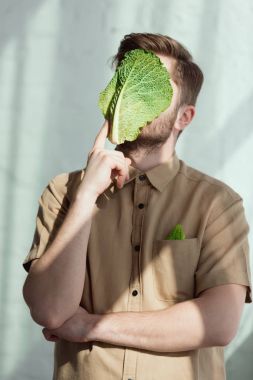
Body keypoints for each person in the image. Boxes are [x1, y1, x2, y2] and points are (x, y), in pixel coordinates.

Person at [22, 33, 252, 380]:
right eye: (124, 80)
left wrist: (90, 326)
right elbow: (51, 310)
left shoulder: (217, 204)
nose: (132, 94)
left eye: (155, 83)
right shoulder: (63, 192)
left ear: (184, 117)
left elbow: (218, 322)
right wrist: (85, 198)